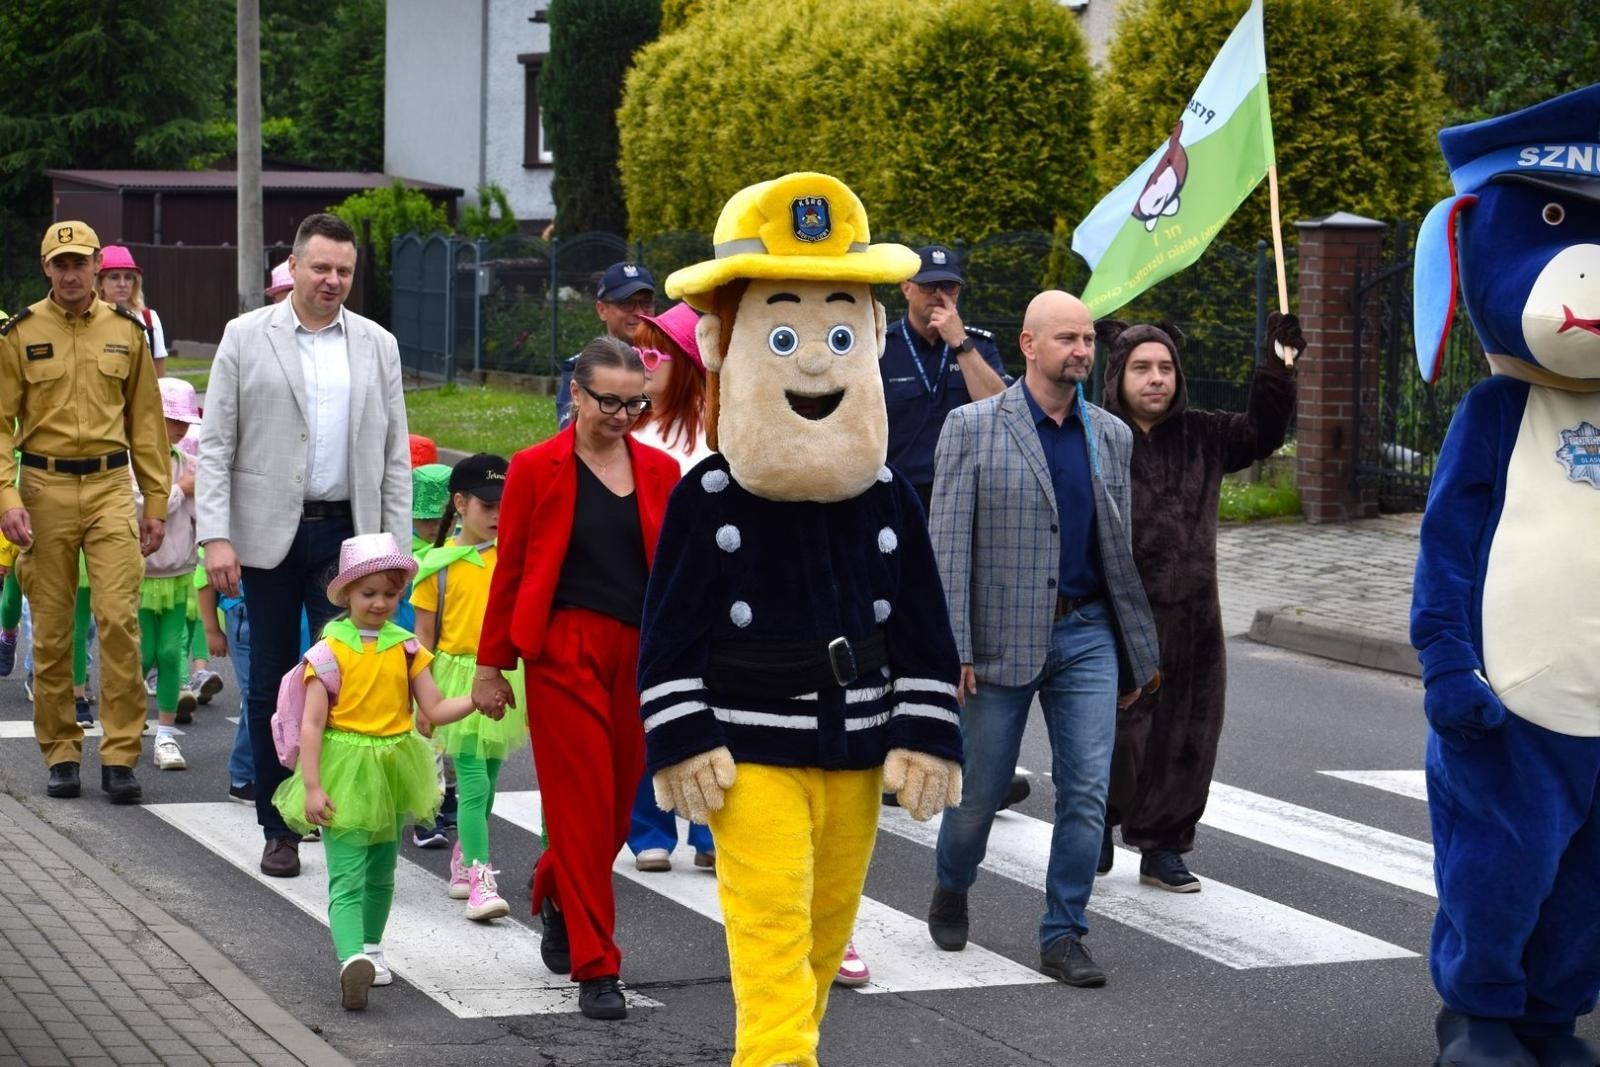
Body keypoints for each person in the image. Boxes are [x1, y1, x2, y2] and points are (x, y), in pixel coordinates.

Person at [641, 171, 964, 1066]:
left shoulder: (888, 493)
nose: (815, 360)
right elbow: (667, 635)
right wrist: (682, 735)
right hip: (749, 749)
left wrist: (927, 730)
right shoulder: (709, 496)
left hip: (856, 744)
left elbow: (924, 626)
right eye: (785, 334)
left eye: (835, 331)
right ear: (725, 343)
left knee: (824, 941)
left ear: (868, 336)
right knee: (773, 942)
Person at [926, 289, 1160, 988]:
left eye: (1088, 339)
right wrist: (954, 644)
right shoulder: (971, 426)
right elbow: (948, 545)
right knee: (980, 793)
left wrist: (1134, 649)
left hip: (1087, 631)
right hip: (999, 638)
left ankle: (1064, 932)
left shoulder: (1111, 435)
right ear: (1029, 345)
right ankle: (951, 880)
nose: (1082, 351)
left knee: (1087, 791)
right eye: (1067, 339)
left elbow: (1117, 548)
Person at [199, 212, 413, 878]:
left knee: (346, 681)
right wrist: (216, 537)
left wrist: (394, 550)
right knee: (268, 682)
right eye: (320, 267)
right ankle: (279, 824)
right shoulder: (244, 337)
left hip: (347, 536)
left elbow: (395, 456)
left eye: (344, 270)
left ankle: (339, 810)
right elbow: (215, 445)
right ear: (292, 266)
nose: (332, 280)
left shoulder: (378, 344)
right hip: (265, 537)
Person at [473, 336, 679, 1021]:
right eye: (609, 401)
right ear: (576, 394)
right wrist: (490, 663)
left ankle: (552, 883)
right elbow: (511, 569)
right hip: (563, 649)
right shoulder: (535, 468)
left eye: (635, 402)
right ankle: (598, 966)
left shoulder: (658, 470)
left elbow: (674, 574)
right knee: (583, 805)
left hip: (639, 654)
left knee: (618, 809)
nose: (623, 414)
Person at [1099, 314, 1301, 891]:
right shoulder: (1094, 436)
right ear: (1118, 373)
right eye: (1142, 368)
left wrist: (1277, 366)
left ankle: (1163, 845)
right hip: (1114, 617)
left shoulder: (1205, 434)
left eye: (1165, 368)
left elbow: (1263, 433)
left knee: (1187, 734)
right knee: (1112, 733)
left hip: (1193, 619)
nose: (1156, 378)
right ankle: (1094, 826)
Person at [272, 532, 485, 1011]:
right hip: (344, 766)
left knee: (383, 872)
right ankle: (350, 959)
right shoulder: (328, 651)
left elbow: (433, 706)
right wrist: (311, 785)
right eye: (369, 593)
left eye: (390, 594)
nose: (381, 603)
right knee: (347, 874)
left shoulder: (407, 647)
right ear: (346, 594)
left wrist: (474, 698)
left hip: (392, 767)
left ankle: (370, 948)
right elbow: (311, 723)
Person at [0, 220, 169, 804]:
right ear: (46, 268)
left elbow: (147, 423)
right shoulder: (19, 333)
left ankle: (120, 753)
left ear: (98, 265)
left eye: (80, 263)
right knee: (49, 632)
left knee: (118, 620)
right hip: (43, 490)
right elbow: (0, 425)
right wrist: (7, 495)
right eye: (60, 263)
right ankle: (62, 752)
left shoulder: (128, 331)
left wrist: (156, 502)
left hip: (108, 488)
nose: (71, 274)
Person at [412, 453, 525, 921]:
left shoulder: (514, 556)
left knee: (490, 781)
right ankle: (480, 876)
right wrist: (422, 699)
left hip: (502, 672)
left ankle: (463, 856)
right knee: (475, 782)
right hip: (456, 679)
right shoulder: (436, 566)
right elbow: (422, 641)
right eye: (487, 505)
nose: (498, 515)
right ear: (459, 503)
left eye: (505, 504)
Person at [625, 300, 715, 874]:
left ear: (687, 359)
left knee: (710, 708)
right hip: (638, 586)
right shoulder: (625, 424)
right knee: (644, 706)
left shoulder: (718, 424)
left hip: (704, 587)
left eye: (655, 350)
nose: (643, 360)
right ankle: (648, 828)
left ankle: (708, 828)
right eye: (639, 349)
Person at [880, 244, 1008, 510]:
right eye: (929, 286)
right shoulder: (881, 347)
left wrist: (960, 342)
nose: (940, 296)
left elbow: (1001, 408)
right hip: (897, 492)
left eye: (949, 287)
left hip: (964, 492)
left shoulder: (978, 346)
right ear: (906, 288)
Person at [135, 378, 206, 771]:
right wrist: (180, 489)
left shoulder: (189, 462)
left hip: (179, 572)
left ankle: (164, 736)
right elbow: (138, 507)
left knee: (167, 652)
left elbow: (202, 513)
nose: (178, 428)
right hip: (141, 574)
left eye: (183, 421)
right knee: (140, 654)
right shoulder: (134, 461)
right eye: (169, 419)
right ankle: (126, 723)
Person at [554, 262, 657, 429]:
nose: (639, 313)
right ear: (602, 310)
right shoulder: (581, 367)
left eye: (646, 303)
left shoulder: (670, 364)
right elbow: (572, 433)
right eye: (626, 303)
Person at [96, 245, 167, 376]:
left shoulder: (149, 318)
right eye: (114, 277)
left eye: (128, 277)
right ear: (100, 282)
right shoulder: (90, 318)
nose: (122, 284)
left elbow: (159, 379)